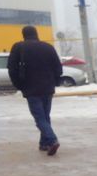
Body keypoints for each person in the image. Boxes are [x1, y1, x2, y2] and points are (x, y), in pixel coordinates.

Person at [7, 25, 63, 156]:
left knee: (39, 117)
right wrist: (54, 82)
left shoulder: (18, 47)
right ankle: (44, 144)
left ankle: (52, 139)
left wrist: (19, 85)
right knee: (44, 116)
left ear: (23, 34)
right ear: (36, 33)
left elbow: (12, 69)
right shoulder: (48, 47)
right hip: (48, 87)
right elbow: (58, 68)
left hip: (31, 88)